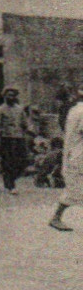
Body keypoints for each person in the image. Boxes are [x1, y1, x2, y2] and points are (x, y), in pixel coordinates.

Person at [50, 92, 83, 231]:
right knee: (75, 190)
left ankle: (56, 218)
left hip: (74, 153)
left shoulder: (75, 109)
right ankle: (56, 218)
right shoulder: (81, 111)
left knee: (75, 190)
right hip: (78, 154)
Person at [0, 87, 34, 194]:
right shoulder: (0, 110)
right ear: (4, 96)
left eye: (13, 95)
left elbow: (26, 123)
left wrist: (31, 131)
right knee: (8, 162)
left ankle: (12, 179)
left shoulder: (19, 109)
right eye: (8, 95)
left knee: (22, 161)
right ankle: (11, 185)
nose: (11, 97)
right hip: (6, 139)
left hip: (19, 138)